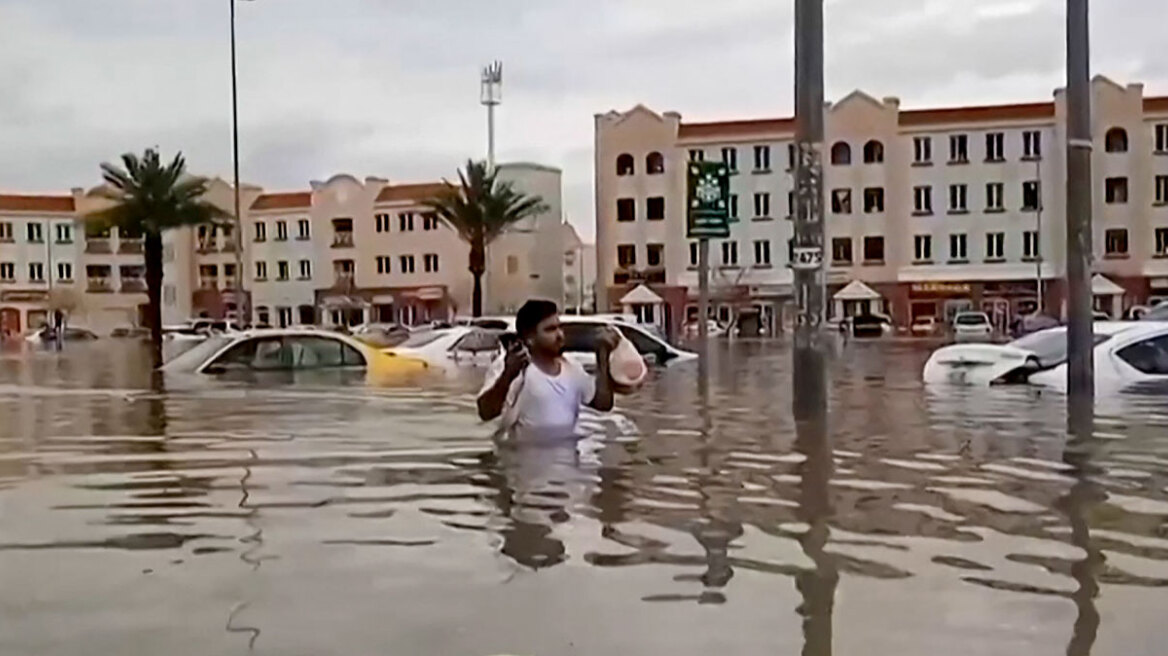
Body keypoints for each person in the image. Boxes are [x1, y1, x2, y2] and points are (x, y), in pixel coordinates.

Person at [477, 300, 621, 437]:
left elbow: (603, 404)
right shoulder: (511, 366)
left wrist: (602, 355)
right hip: (522, 460)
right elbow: (485, 413)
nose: (560, 335)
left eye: (559, 327)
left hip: (566, 459)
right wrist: (508, 374)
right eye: (550, 330)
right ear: (530, 338)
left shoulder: (572, 367)